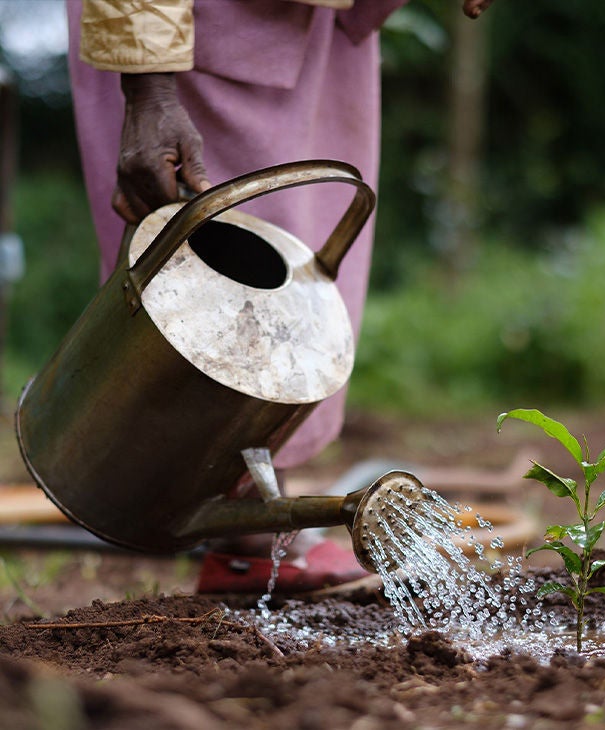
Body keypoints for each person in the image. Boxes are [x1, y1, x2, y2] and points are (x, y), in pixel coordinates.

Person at [65, 0, 492, 593]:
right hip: (184, 33)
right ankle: (239, 528)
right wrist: (149, 92)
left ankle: (250, 525)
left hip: (318, 23)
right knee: (206, 278)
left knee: (297, 274)